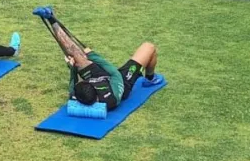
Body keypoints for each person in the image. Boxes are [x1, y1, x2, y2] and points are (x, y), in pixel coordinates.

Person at [33, 6, 162, 109]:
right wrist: (92, 55)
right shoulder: (112, 98)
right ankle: (150, 78)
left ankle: (50, 17)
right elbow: (114, 73)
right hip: (120, 81)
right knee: (149, 47)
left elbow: (72, 85)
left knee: (76, 57)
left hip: (98, 76)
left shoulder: (76, 95)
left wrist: (73, 68)